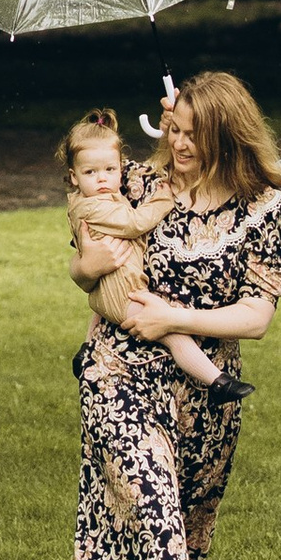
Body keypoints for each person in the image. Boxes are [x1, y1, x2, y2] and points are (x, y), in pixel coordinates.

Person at [69, 67, 281, 560]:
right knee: (152, 503)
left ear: (228, 134)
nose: (180, 145)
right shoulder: (139, 184)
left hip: (207, 390)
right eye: (174, 131)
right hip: (119, 372)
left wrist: (172, 314)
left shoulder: (267, 211)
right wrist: (84, 271)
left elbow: (255, 318)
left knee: (184, 525)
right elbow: (85, 252)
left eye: (194, 135)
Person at [57, 106, 247, 400]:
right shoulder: (90, 205)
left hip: (113, 285)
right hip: (124, 290)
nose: (103, 178)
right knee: (172, 333)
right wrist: (164, 198)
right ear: (73, 176)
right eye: (90, 172)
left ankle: (85, 351)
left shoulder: (101, 194)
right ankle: (217, 381)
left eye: (110, 169)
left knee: (102, 308)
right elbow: (135, 223)